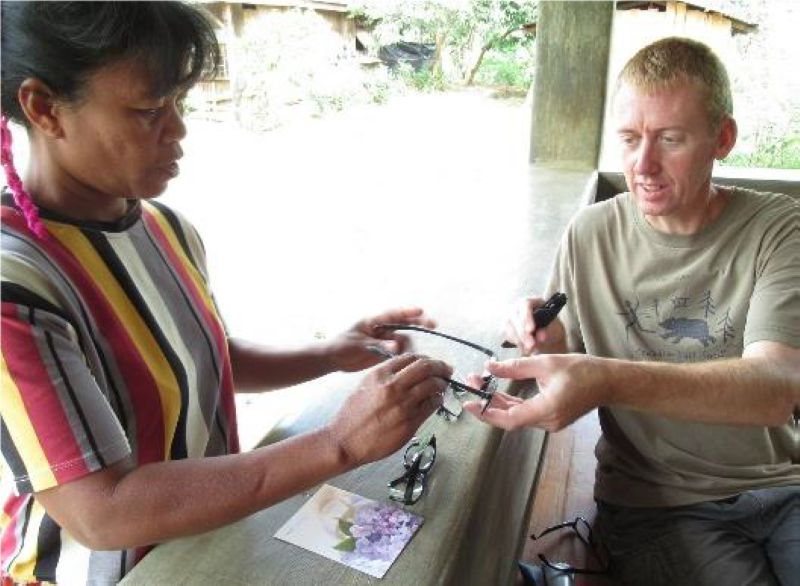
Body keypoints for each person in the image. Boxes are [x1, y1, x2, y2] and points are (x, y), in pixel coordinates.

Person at [0, 1, 451, 583]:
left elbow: (201, 361)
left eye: (179, 102)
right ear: (44, 108)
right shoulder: (17, 286)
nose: (179, 129)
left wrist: (331, 352)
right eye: (149, 110)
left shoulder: (164, 227)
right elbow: (102, 511)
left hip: (207, 540)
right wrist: (339, 444)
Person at [465, 37, 799, 585]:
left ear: (723, 138)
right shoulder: (590, 232)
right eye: (628, 139)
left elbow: (777, 386)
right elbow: (566, 343)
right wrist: (540, 337)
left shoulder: (778, 226)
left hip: (786, 484)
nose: (643, 164)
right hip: (659, 500)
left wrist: (602, 380)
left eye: (670, 139)